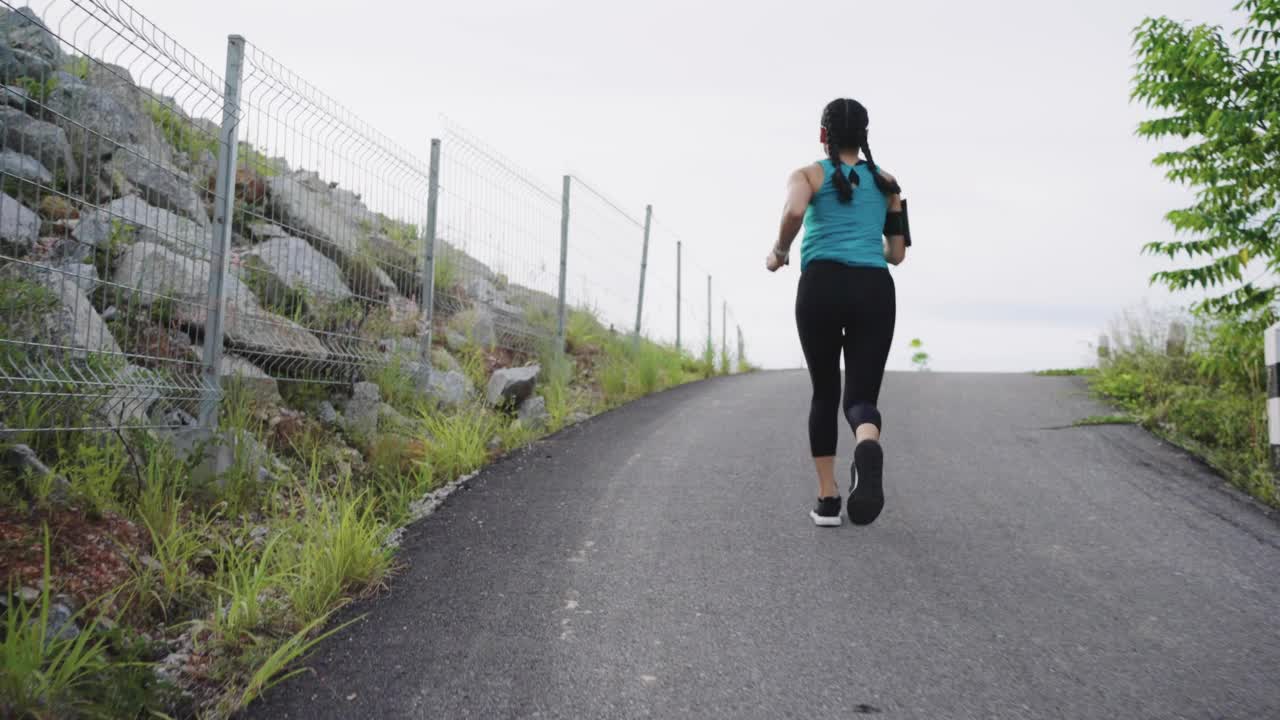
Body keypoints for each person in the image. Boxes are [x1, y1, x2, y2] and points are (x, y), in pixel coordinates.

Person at [766, 98, 908, 528]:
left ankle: (828, 499)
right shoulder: (888, 184)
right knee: (861, 397)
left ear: (823, 135)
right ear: (864, 137)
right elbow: (897, 254)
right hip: (874, 289)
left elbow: (794, 210)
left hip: (822, 286)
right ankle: (867, 442)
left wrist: (779, 251)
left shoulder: (808, 174)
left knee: (824, 391)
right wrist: (870, 242)